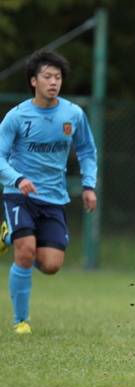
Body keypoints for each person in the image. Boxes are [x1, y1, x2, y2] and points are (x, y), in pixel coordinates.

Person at [0, 49, 98, 334]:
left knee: (51, 265)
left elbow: (87, 151)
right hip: (19, 194)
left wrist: (89, 185)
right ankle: (21, 321)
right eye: (47, 76)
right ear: (34, 81)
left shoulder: (72, 114)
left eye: (57, 77)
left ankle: (6, 233)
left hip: (54, 198)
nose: (53, 82)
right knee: (26, 253)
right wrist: (17, 179)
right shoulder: (17, 117)